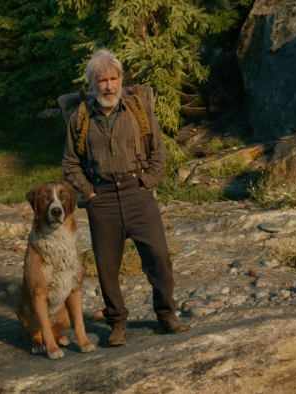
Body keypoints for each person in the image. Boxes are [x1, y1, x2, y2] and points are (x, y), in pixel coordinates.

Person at [62, 49, 188, 346]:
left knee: (159, 258)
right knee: (107, 268)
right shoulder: (80, 119)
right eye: (101, 80)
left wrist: (147, 182)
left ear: (121, 79)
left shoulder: (139, 110)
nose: (109, 86)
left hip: (138, 195)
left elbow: (159, 152)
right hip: (101, 200)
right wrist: (89, 193)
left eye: (113, 78)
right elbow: (70, 162)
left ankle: (166, 314)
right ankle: (117, 323)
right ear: (92, 85)